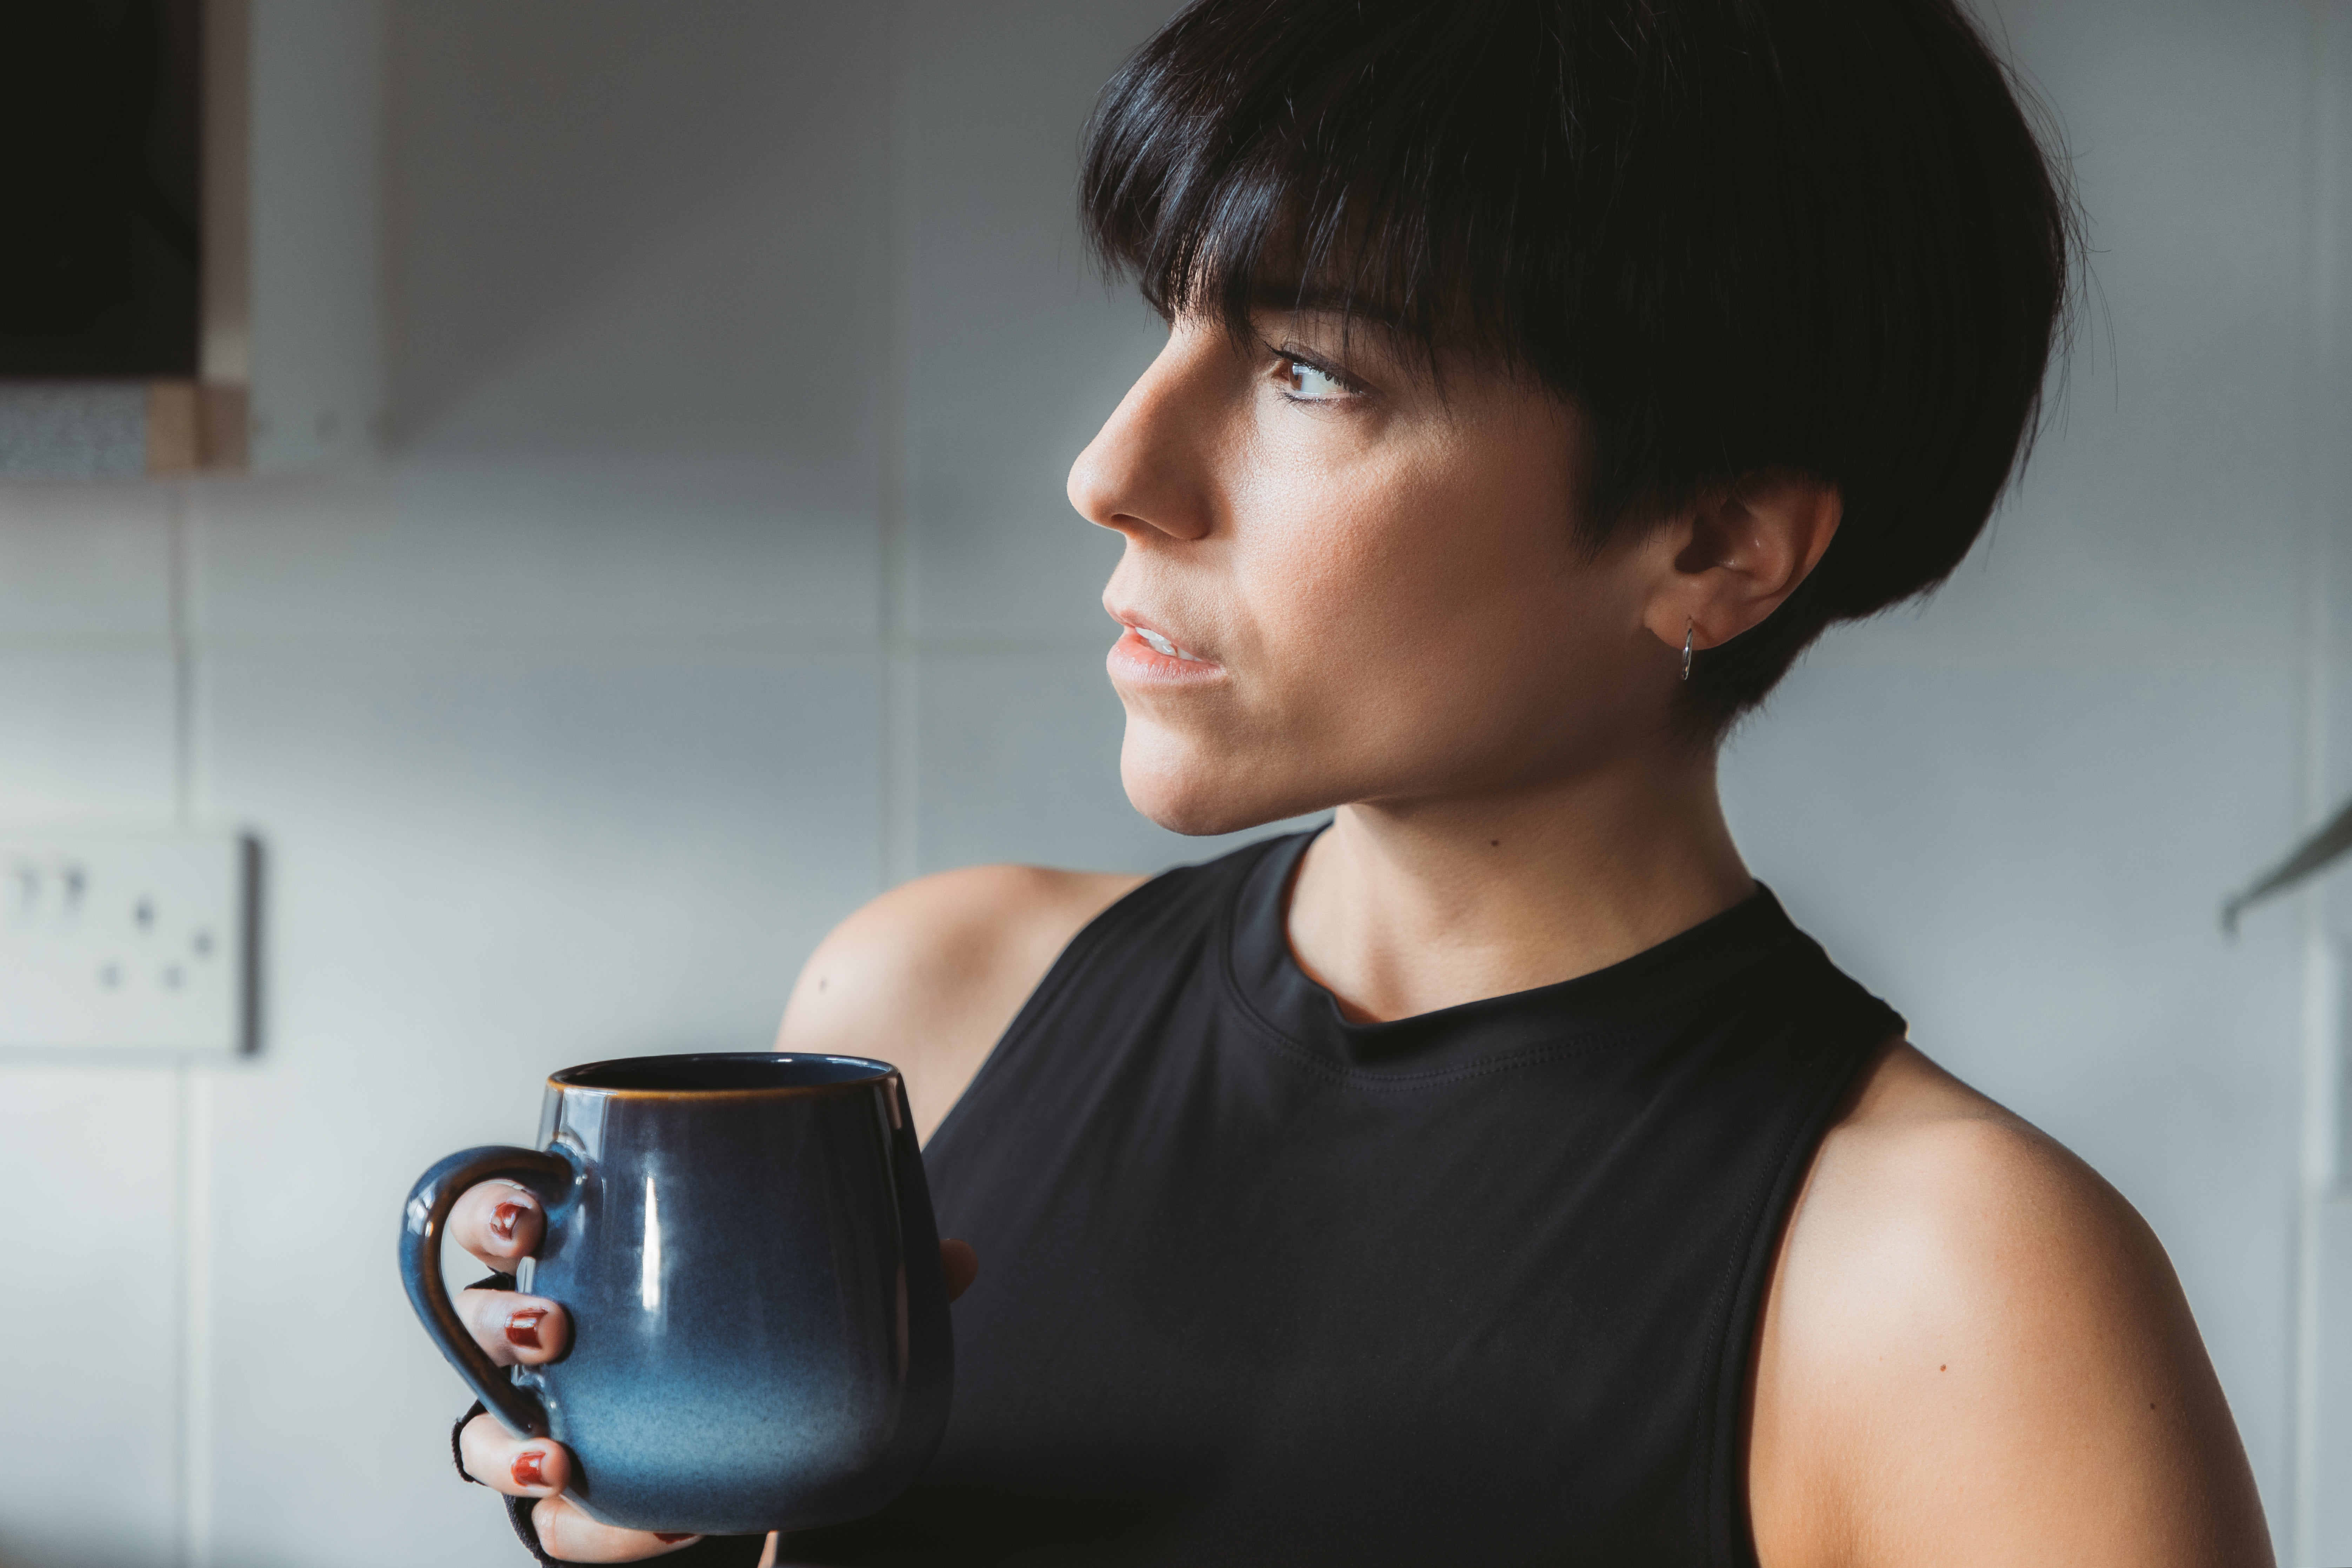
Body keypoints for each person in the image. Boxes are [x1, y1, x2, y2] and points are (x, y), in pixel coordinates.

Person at [434, 0, 2276, 1562]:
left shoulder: (1962, 1288)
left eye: (1314, 370)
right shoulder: (922, 1006)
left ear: (1716, 544)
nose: (1112, 464)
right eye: (1173, 317)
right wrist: (638, 1526)